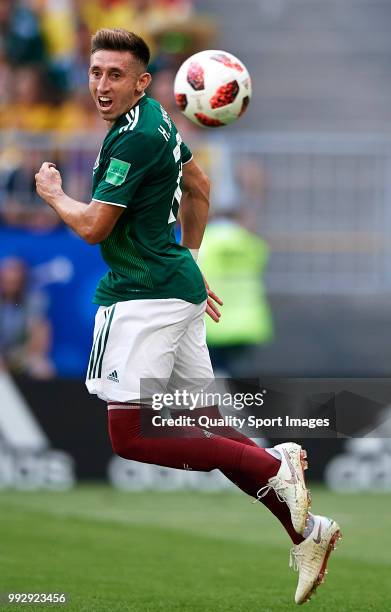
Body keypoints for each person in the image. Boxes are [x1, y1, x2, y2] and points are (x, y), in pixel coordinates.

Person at [35, 28, 341, 604]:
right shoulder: (156, 119)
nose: (102, 84)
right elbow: (197, 185)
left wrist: (53, 192)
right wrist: (193, 262)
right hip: (174, 287)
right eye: (96, 72)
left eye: (115, 75)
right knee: (212, 425)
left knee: (129, 435)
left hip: (141, 295)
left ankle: (275, 463)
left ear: (142, 81)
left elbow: (92, 227)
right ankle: (307, 532)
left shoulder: (133, 139)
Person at [0, 256, 55, 378]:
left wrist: (20, 356)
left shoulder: (35, 300)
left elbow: (40, 335)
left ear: (22, 281)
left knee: (42, 368)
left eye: (14, 282)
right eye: (6, 282)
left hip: (24, 355)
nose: (10, 286)